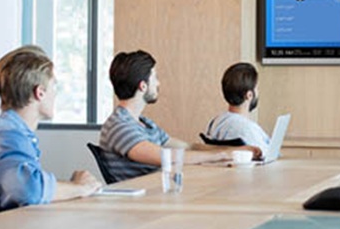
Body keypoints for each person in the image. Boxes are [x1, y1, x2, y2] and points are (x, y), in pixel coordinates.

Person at [99, 50, 261, 182]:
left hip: (161, 191)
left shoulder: (144, 124)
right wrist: (223, 156)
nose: (159, 83)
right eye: (155, 78)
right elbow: (165, 157)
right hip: (145, 203)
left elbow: (187, 147)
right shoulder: (119, 126)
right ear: (143, 86)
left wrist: (235, 150)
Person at [0, 46, 102, 215]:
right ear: (39, 92)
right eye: (54, 87)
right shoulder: (5, 136)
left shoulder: (12, 131)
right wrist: (79, 187)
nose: (55, 94)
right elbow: (27, 190)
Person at [204, 62, 271, 155]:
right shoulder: (246, 128)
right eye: (257, 88)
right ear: (249, 95)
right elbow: (268, 154)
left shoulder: (215, 122)